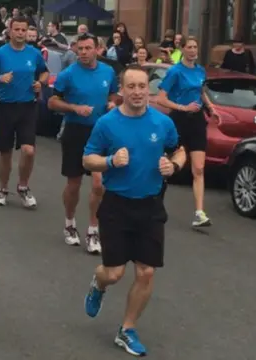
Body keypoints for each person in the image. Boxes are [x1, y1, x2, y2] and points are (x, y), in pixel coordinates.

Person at [81, 64, 186, 357]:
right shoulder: (107, 123)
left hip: (151, 206)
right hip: (116, 205)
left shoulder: (162, 123)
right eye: (132, 87)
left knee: (146, 272)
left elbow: (179, 150)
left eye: (142, 86)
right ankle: (98, 284)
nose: (138, 92)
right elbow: (88, 159)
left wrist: (174, 165)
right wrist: (111, 161)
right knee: (114, 274)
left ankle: (127, 329)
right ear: (122, 90)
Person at [47, 33, 118, 252]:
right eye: (81, 49)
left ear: (98, 49)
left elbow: (114, 95)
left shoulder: (108, 71)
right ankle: (69, 223)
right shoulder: (68, 74)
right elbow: (52, 102)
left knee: (99, 184)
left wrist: (112, 104)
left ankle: (93, 230)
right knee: (74, 183)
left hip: (100, 133)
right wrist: (74, 108)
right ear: (76, 50)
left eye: (89, 48)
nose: (84, 53)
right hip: (75, 131)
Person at [0, 16, 49, 208]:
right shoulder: (0, 54)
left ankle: (23, 186)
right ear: (10, 31)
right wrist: (0, 78)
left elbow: (45, 72)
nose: (20, 33)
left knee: (29, 150)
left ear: (27, 32)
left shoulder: (34, 54)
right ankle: (2, 189)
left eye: (23, 30)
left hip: (27, 107)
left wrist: (40, 82)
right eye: (16, 29)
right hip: (4, 107)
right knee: (5, 152)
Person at [156, 36, 219, 227]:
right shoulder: (175, 71)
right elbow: (161, 99)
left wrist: (211, 108)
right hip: (179, 120)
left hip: (197, 120)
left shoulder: (200, 70)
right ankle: (155, 202)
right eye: (189, 47)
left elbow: (200, 91)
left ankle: (199, 213)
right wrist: (183, 108)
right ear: (182, 49)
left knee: (199, 168)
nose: (193, 50)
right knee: (171, 166)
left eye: (195, 47)